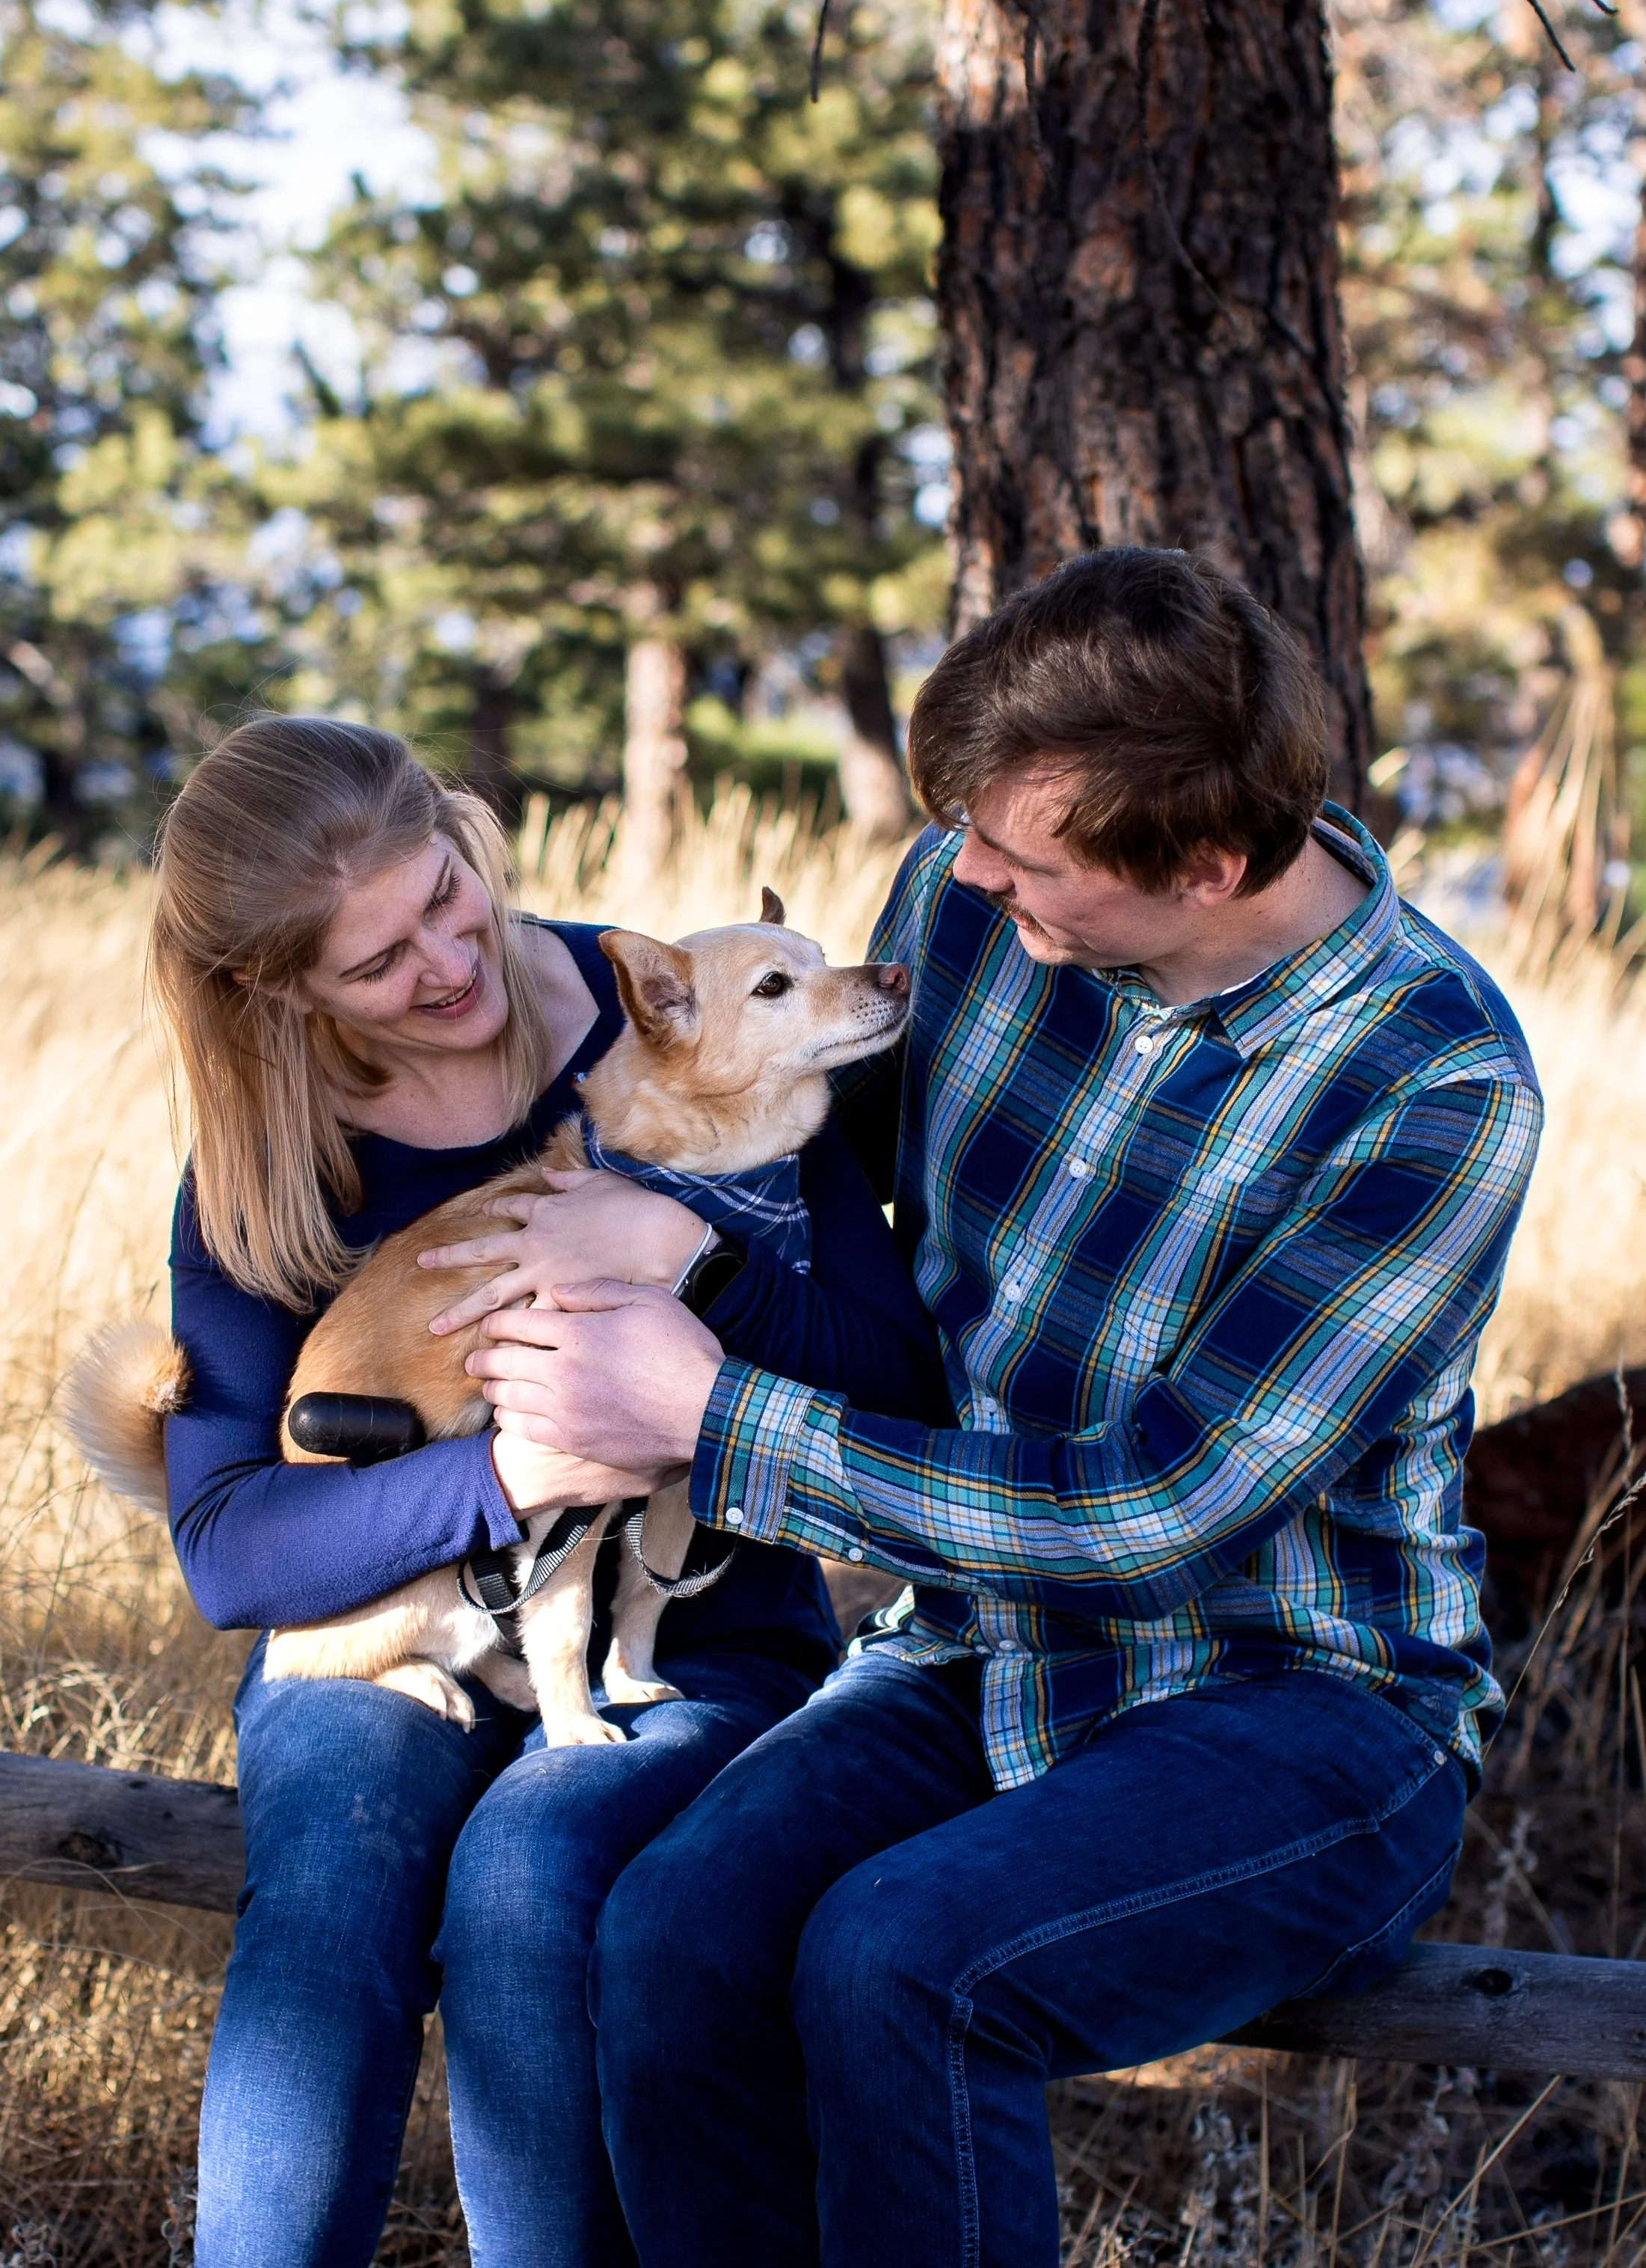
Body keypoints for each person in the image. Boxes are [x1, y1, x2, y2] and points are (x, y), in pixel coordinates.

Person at [462, 549, 1544, 2268]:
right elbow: (813, 1199)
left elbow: (1156, 1514)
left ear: (1201, 863)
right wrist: (646, 1225)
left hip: (1298, 1702)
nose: (960, 874)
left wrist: (712, 1414)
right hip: (970, 1644)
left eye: (1019, 855)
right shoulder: (968, 902)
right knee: (670, 1929)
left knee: (900, 1957)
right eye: (963, 825)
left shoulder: (1433, 1084)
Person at [150, 714, 948, 2268]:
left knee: (526, 1886)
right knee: (330, 1881)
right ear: (279, 987)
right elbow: (234, 1551)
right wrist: (510, 1474)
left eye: (446, 897)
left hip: (694, 1624)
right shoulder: (267, 1153)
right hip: (394, 1624)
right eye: (374, 963)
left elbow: (897, 1384)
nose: (446, 966)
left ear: (465, 836)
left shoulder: (701, 1008)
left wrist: (699, 1263)